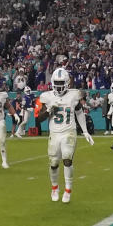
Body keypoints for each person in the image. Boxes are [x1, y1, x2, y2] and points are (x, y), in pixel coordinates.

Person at [36, 67, 94, 204]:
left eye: (62, 83)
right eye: (57, 82)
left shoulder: (74, 95)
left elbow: (79, 112)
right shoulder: (47, 96)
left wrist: (85, 131)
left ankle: (68, 190)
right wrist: (49, 109)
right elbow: (39, 119)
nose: (59, 86)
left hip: (69, 131)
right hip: (54, 133)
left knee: (67, 159)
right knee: (54, 163)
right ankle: (55, 188)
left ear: (67, 82)